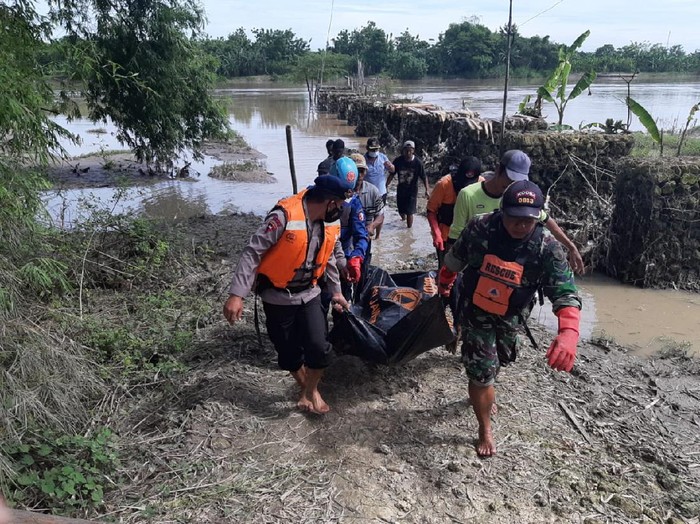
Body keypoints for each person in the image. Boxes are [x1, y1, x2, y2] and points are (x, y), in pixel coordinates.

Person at [438, 180, 582, 458]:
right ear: (502, 211)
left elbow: (564, 291)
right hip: (476, 311)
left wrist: (569, 332)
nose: (520, 226)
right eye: (514, 218)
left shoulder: (546, 246)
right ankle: (484, 427)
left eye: (527, 221)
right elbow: (456, 258)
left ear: (539, 217)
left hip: (512, 315)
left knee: (500, 360)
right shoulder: (481, 227)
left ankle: (487, 387)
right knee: (481, 373)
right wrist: (445, 282)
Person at [223, 175, 352, 415]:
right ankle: (306, 387)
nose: (342, 211)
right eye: (340, 205)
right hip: (277, 296)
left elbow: (330, 259)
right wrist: (236, 294)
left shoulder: (331, 223)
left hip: (310, 292)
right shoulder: (283, 216)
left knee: (319, 347)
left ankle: (310, 390)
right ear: (330, 202)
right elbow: (252, 252)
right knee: (289, 352)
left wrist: (336, 292)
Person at [448, 150, 584, 274]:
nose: (512, 184)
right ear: (498, 169)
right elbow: (455, 236)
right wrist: (448, 272)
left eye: (518, 181)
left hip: (509, 268)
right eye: (510, 178)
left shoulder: (518, 198)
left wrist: (571, 247)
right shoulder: (468, 195)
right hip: (477, 266)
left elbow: (546, 220)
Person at [427, 156, 483, 268]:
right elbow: (431, 211)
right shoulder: (444, 184)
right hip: (445, 235)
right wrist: (436, 234)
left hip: (469, 236)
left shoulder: (482, 184)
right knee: (445, 269)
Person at [350, 153, 384, 282]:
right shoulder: (343, 192)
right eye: (356, 171)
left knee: (363, 272)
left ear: (365, 172)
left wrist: (372, 226)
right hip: (346, 242)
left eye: (362, 171)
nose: (359, 175)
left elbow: (380, 214)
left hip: (364, 240)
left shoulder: (373, 191)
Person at [386, 140, 430, 228]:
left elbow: (424, 177)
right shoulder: (398, 161)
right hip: (401, 190)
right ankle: (403, 219)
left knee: (410, 212)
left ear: (413, 150)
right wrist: (386, 185)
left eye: (410, 150)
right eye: (406, 150)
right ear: (403, 150)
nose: (408, 152)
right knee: (401, 211)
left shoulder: (418, 163)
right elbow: (392, 174)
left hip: (412, 191)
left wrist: (427, 190)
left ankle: (409, 229)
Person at [363, 137, 394, 238]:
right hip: (367, 193)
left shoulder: (383, 157)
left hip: (381, 192)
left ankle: (378, 235)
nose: (374, 151)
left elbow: (393, 170)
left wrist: (391, 167)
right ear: (367, 148)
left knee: (379, 214)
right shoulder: (363, 160)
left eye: (376, 149)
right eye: (372, 149)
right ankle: (368, 232)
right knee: (367, 215)